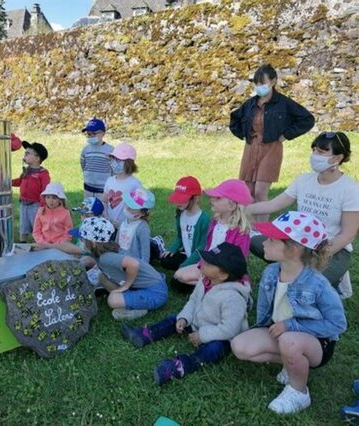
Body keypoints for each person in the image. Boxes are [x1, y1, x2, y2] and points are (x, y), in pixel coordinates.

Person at [231, 211, 347, 415]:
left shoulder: (318, 285)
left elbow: (337, 324)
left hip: (316, 343)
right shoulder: (270, 272)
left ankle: (299, 391)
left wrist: (290, 325)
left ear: (293, 250)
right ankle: (292, 363)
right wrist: (268, 329)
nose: (264, 242)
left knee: (289, 342)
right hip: (282, 335)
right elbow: (265, 313)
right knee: (240, 346)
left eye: (272, 239)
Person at [121, 242, 251, 386]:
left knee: (213, 350)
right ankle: (146, 334)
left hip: (222, 336)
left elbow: (229, 329)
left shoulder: (233, 297)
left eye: (209, 263)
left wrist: (202, 336)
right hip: (197, 322)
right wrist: (184, 318)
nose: (203, 264)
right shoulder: (205, 281)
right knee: (174, 319)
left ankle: (181, 366)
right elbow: (193, 301)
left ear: (223, 275)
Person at [247, 132, 359, 289]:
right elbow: (273, 205)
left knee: (310, 282)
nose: (314, 155)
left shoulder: (350, 189)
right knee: (252, 241)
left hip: (331, 249)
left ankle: (317, 277)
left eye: (321, 152)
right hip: (299, 243)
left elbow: (347, 235)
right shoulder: (304, 180)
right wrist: (243, 210)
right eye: (313, 150)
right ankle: (291, 267)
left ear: (337, 158)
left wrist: (317, 257)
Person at [229, 63, 315, 220]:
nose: (259, 86)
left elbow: (307, 119)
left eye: (263, 82)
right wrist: (243, 134)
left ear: (273, 81)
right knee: (248, 191)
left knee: (261, 192)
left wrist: (286, 135)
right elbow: (235, 118)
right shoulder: (251, 104)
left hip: (271, 148)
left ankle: (261, 230)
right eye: (256, 83)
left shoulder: (283, 103)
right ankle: (247, 227)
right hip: (251, 147)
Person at [79, 217, 168, 320]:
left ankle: (137, 308)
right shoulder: (104, 251)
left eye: (83, 239)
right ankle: (128, 297)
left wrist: (126, 285)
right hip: (144, 287)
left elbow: (133, 264)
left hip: (156, 293)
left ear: (93, 243)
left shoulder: (106, 258)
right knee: (102, 277)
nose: (81, 241)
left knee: (112, 300)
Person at [173, 179, 252, 287]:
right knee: (178, 275)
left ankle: (214, 284)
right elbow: (208, 247)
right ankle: (210, 283)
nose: (212, 200)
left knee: (182, 277)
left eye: (218, 198)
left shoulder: (241, 233)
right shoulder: (215, 222)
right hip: (208, 263)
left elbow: (237, 263)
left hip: (224, 272)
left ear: (232, 206)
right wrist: (202, 265)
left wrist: (213, 271)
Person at [159, 176, 210, 273]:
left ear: (195, 198)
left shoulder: (204, 220)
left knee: (179, 285)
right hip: (186, 253)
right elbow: (180, 237)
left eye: (182, 200)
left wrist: (184, 266)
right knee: (165, 260)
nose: (178, 203)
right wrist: (172, 249)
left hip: (199, 258)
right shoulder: (180, 214)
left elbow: (202, 248)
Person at [12, 141, 50, 242]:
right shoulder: (27, 170)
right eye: (25, 153)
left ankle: (39, 245)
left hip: (36, 205)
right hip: (23, 204)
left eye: (28, 153)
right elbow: (20, 181)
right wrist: (9, 182)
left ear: (37, 158)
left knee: (36, 226)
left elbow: (45, 190)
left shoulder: (43, 174)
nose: (25, 155)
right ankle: (23, 244)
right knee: (23, 226)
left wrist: (43, 205)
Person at [103, 142, 142, 227]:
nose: (113, 162)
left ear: (128, 163)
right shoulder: (110, 180)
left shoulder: (134, 184)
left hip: (127, 225)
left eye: (118, 159)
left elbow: (139, 206)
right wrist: (106, 217)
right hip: (109, 224)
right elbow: (104, 200)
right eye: (113, 158)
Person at [117, 187, 155, 263]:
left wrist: (144, 268)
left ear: (142, 213)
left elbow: (145, 252)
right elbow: (117, 243)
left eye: (132, 208)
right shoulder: (123, 222)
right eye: (127, 205)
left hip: (133, 264)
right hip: (119, 260)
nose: (127, 209)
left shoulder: (142, 228)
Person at [80, 118, 114, 199]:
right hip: (88, 188)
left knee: (103, 210)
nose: (91, 136)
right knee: (88, 210)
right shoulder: (86, 150)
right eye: (88, 134)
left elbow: (113, 169)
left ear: (103, 133)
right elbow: (83, 165)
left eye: (94, 133)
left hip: (103, 189)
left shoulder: (110, 150)